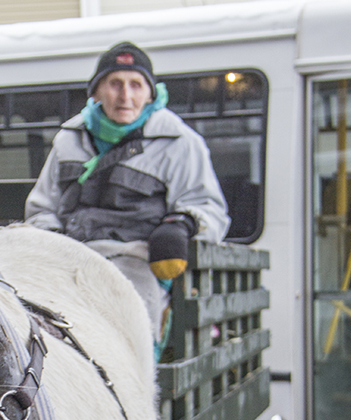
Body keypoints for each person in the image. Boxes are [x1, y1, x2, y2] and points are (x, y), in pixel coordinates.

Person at [25, 41, 230, 356]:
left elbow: (210, 209)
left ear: (151, 93)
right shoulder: (69, 138)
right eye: (115, 84)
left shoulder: (179, 141)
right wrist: (53, 243)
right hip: (69, 257)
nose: (125, 96)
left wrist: (182, 224)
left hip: (136, 260)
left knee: (126, 331)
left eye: (136, 85)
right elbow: (41, 207)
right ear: (96, 91)